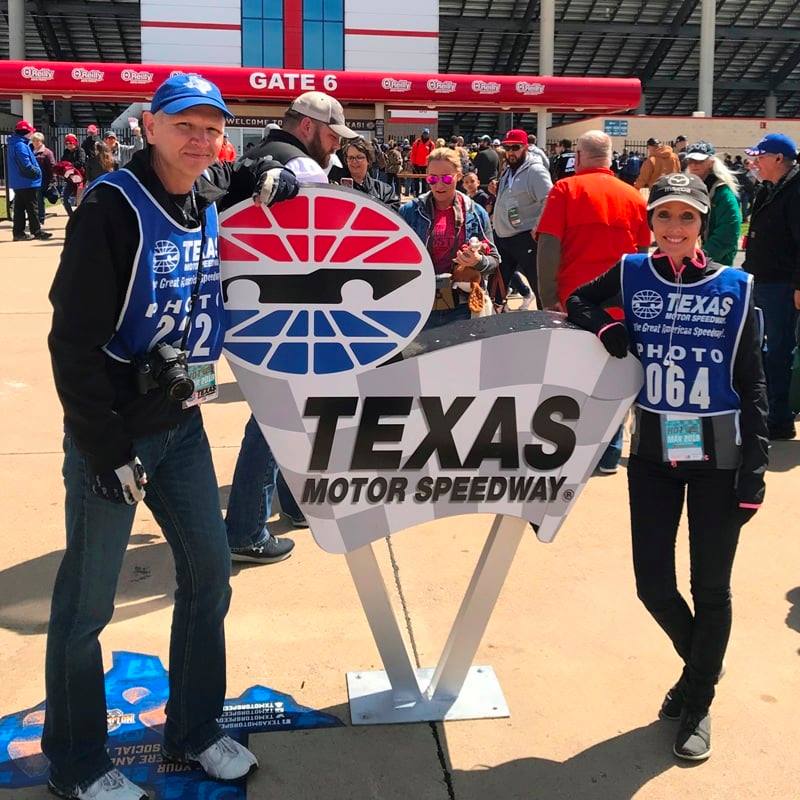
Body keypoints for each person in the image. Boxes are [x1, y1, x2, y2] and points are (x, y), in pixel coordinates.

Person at [44, 73, 299, 800]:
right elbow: (71, 343)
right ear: (149, 127)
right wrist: (105, 448)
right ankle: (77, 762)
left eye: (211, 127)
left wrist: (268, 173)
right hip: (117, 432)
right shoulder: (111, 209)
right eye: (183, 124)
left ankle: (193, 728)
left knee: (211, 575)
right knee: (87, 608)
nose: (198, 138)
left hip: (180, 422)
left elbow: (238, 175)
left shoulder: (204, 187)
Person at [566, 172, 768, 762]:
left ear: (703, 223)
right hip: (653, 452)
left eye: (686, 217)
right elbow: (577, 300)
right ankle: (703, 662)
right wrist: (607, 327)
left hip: (719, 457)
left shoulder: (737, 287)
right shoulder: (633, 273)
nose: (674, 228)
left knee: (712, 587)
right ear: (649, 222)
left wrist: (753, 474)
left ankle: (698, 697)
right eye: (664, 216)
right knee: (652, 583)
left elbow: (753, 385)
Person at [224, 90, 359, 564]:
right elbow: (322, 249)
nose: (335, 146)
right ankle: (244, 529)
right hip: (293, 314)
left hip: (249, 311)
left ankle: (295, 504)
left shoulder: (254, 156)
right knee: (275, 419)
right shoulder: (301, 167)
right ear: (307, 126)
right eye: (330, 135)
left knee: (284, 414)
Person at [537, 130, 650, 472]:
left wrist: (548, 297)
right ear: (611, 157)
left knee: (571, 380)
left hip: (573, 303)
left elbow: (548, 247)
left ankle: (574, 452)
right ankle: (610, 454)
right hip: (620, 303)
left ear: (580, 156)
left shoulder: (565, 190)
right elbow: (642, 255)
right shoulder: (634, 196)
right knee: (613, 377)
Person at [398, 147, 499, 329]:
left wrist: (478, 261)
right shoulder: (410, 211)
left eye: (446, 178)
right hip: (420, 304)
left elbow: (494, 260)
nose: (439, 185)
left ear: (458, 176)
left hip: (462, 305)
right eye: (432, 178)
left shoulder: (475, 212)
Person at [742, 133, 800, 440]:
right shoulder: (770, 188)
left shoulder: (795, 190)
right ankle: (767, 412)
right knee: (761, 349)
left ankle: (779, 418)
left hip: (781, 284)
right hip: (762, 279)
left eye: (760, 157)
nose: (755, 163)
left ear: (778, 159)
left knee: (777, 351)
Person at [492, 128, 552, 309]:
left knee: (538, 284)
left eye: (515, 147)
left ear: (526, 147)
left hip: (526, 238)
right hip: (502, 236)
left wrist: (539, 227)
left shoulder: (535, 171)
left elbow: (550, 199)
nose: (510, 152)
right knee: (496, 286)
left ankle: (547, 323)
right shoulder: (508, 170)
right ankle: (495, 324)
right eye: (507, 148)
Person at [684, 140, 742, 265]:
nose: (693, 165)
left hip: (715, 263)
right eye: (690, 160)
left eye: (699, 161)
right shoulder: (689, 188)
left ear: (711, 163)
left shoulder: (723, 193)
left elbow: (728, 232)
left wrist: (701, 257)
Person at [8, 120, 51, 241]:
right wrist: (37, 172)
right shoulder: (21, 145)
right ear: (26, 132)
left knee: (19, 208)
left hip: (19, 182)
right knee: (32, 208)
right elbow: (25, 164)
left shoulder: (15, 143)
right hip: (27, 181)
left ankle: (18, 233)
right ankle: (36, 231)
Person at [341, 137, 399, 210]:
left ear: (368, 160)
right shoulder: (337, 189)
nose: (354, 161)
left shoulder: (384, 190)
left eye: (359, 157)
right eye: (350, 158)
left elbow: (392, 214)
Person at [31, 131, 56, 226]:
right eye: (34, 141)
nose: (35, 143)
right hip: (33, 180)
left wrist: (53, 180)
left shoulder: (47, 152)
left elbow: (52, 166)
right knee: (34, 200)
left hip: (43, 180)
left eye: (37, 141)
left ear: (41, 141)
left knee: (39, 200)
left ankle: (40, 219)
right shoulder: (31, 151)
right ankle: (36, 219)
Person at [58, 133, 86, 218]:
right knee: (65, 198)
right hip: (70, 179)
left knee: (79, 200)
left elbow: (81, 162)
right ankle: (72, 216)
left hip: (80, 179)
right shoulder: (66, 152)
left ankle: (81, 217)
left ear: (74, 143)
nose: (68, 145)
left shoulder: (80, 150)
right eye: (66, 143)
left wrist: (69, 165)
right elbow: (62, 162)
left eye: (70, 143)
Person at [410, 128, 434, 195]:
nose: (425, 135)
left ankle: (424, 193)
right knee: (416, 180)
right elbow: (413, 153)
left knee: (425, 181)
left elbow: (432, 155)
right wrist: (412, 163)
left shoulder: (431, 144)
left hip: (426, 165)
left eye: (426, 133)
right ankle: (416, 193)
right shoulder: (417, 142)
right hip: (416, 165)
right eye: (424, 133)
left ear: (428, 134)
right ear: (422, 134)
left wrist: (431, 164)